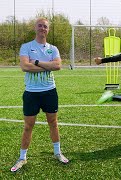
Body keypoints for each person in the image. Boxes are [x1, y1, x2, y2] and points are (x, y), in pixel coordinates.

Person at [11, 17, 69, 172]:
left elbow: (57, 66)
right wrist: (47, 66)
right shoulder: (26, 47)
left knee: (53, 123)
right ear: (35, 28)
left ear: (48, 29)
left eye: (45, 26)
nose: (42, 28)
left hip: (50, 91)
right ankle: (22, 157)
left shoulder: (53, 48)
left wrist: (36, 62)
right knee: (28, 125)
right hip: (31, 93)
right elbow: (25, 67)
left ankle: (57, 152)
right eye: (40, 26)